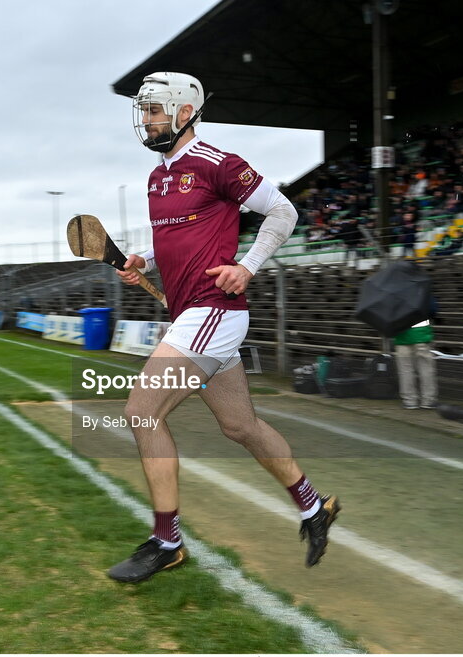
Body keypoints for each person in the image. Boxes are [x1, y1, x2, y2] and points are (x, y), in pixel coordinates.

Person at [108, 72, 339, 583]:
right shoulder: (156, 178)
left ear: (184, 113)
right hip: (193, 314)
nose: (145, 121)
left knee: (141, 411)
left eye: (153, 111)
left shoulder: (218, 164)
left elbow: (283, 210)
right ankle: (312, 507)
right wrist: (143, 262)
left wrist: (248, 266)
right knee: (240, 426)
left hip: (214, 311)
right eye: (143, 112)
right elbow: (174, 238)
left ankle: (166, 541)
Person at [393, 295, 438, 410]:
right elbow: (433, 310)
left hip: (402, 336)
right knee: (426, 368)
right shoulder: (422, 290)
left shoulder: (393, 294)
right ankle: (428, 400)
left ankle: (410, 401)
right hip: (421, 335)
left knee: (405, 370)